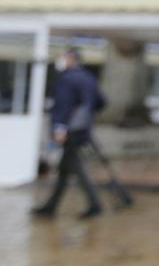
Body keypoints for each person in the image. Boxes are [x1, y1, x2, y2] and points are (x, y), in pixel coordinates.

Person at [32, 47, 105, 219]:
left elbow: (63, 106)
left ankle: (95, 205)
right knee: (65, 170)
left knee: (76, 168)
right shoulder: (89, 78)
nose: (61, 61)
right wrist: (86, 115)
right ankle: (50, 207)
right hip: (82, 130)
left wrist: (60, 128)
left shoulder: (68, 79)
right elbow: (101, 102)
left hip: (69, 131)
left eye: (64, 58)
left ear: (72, 60)